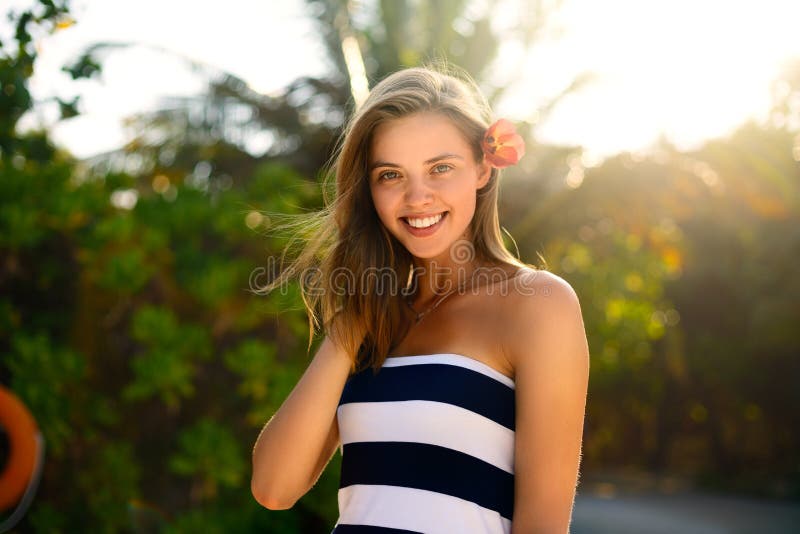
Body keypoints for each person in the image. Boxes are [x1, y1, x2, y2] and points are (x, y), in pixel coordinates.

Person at [251, 63, 590, 534]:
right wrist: (351, 325)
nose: (417, 197)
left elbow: (543, 524)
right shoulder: (371, 314)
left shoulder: (537, 304)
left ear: (482, 166)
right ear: (369, 189)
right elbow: (273, 487)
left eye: (441, 168)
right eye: (391, 175)